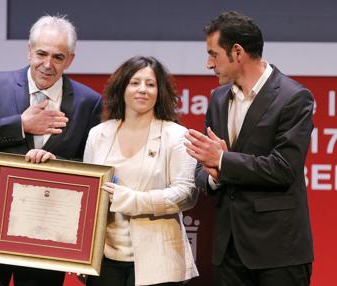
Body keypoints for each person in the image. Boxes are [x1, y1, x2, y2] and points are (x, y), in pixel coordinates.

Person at [0, 15, 102, 286]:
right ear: (29, 51)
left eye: (58, 57)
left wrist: (58, 164)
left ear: (70, 60)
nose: (48, 64)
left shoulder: (88, 102)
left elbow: (91, 165)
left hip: (46, 236)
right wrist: (20, 125)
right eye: (41, 53)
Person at [184, 11, 314, 286]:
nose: (209, 64)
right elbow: (202, 169)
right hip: (228, 251)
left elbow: (283, 169)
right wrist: (213, 175)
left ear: (238, 52)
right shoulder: (218, 98)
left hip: (278, 252)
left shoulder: (293, 98)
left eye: (213, 54)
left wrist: (222, 160)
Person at [82, 56, 199, 286]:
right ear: (122, 88)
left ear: (160, 92)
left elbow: (187, 194)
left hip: (159, 262)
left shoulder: (177, 136)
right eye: (135, 83)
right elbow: (88, 193)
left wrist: (135, 200)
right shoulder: (98, 134)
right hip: (104, 260)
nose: (142, 90)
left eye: (151, 84)